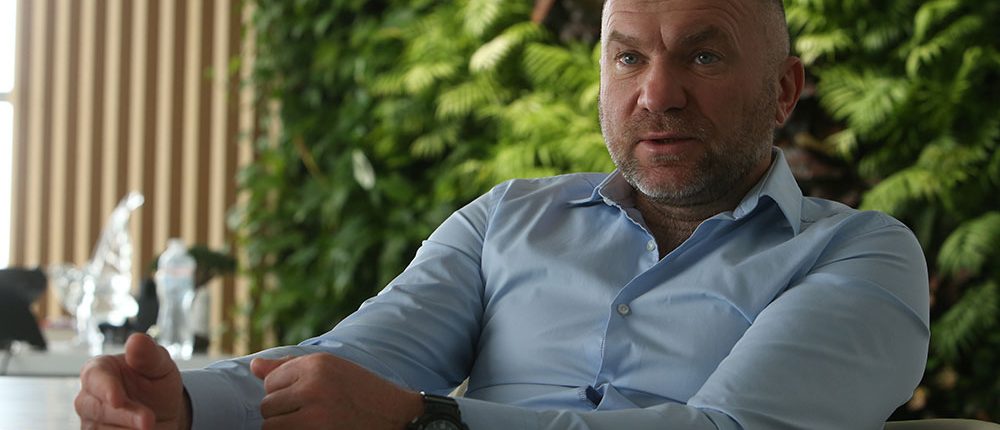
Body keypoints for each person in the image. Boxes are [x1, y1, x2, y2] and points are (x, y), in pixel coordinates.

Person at [75, 0, 930, 428]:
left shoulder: (861, 255)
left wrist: (428, 420)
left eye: (703, 56)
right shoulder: (508, 219)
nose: (657, 94)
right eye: (628, 58)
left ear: (783, 90)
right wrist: (181, 405)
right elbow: (356, 359)